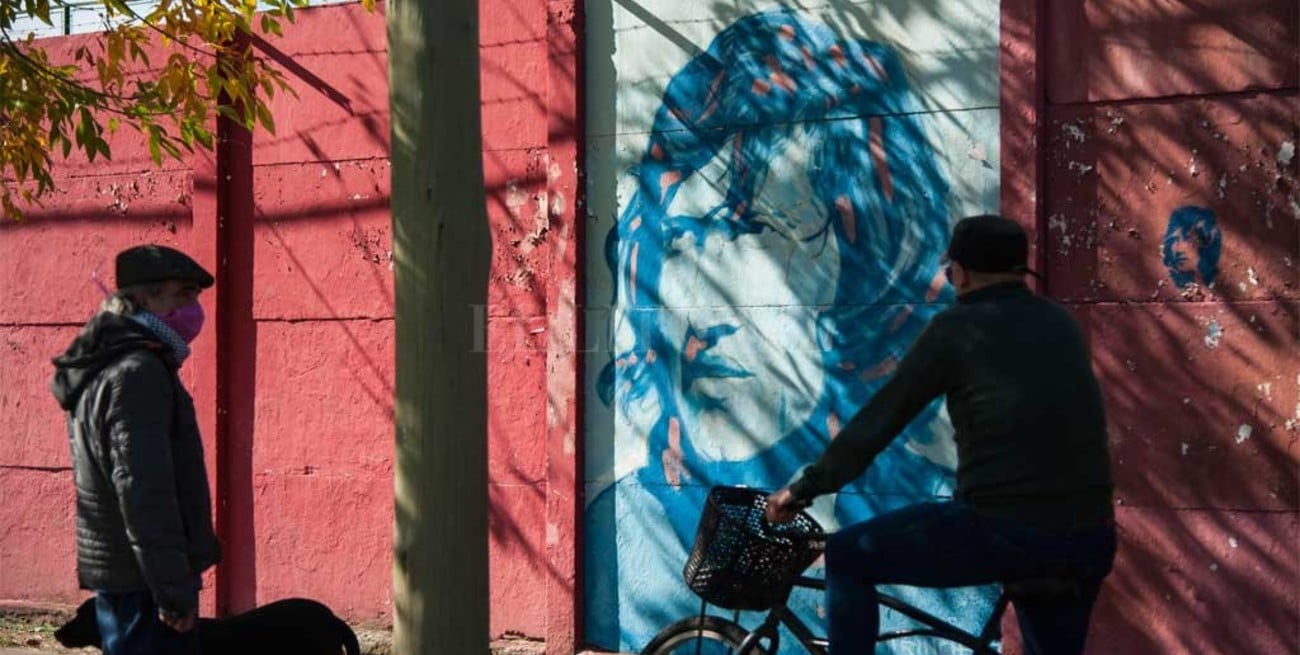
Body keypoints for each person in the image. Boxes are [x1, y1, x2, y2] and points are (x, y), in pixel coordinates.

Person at [583, 10, 978, 649]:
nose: (708, 315)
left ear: (868, 267)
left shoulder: (940, 542)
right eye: (682, 238)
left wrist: (805, 489)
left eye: (766, 229)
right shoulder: (614, 532)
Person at [766, 214, 1117, 655]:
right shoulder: (1059, 322)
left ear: (961, 274)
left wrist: (803, 489)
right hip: (1088, 537)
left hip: (1005, 529)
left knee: (846, 556)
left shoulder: (956, 329)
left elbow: (879, 422)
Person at [51, 244, 221, 655]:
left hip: (129, 576)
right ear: (145, 299)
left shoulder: (112, 363)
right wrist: (172, 589)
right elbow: (144, 491)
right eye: (183, 294)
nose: (194, 309)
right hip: (144, 582)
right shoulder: (137, 373)